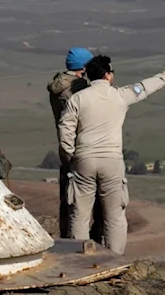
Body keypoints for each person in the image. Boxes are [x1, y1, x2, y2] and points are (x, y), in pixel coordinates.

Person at [58, 54, 165, 254]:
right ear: (107, 75)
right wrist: (162, 77)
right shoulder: (120, 95)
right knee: (114, 216)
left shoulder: (77, 99)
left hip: (84, 160)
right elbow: (142, 88)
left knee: (79, 215)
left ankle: (79, 258)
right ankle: (114, 259)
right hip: (112, 162)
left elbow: (65, 129)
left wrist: (71, 156)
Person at [47, 47, 104, 243]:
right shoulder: (77, 90)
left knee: (69, 203)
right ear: (84, 68)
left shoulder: (58, 85)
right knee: (89, 206)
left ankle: (67, 244)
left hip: (67, 152)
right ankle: (89, 249)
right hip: (84, 151)